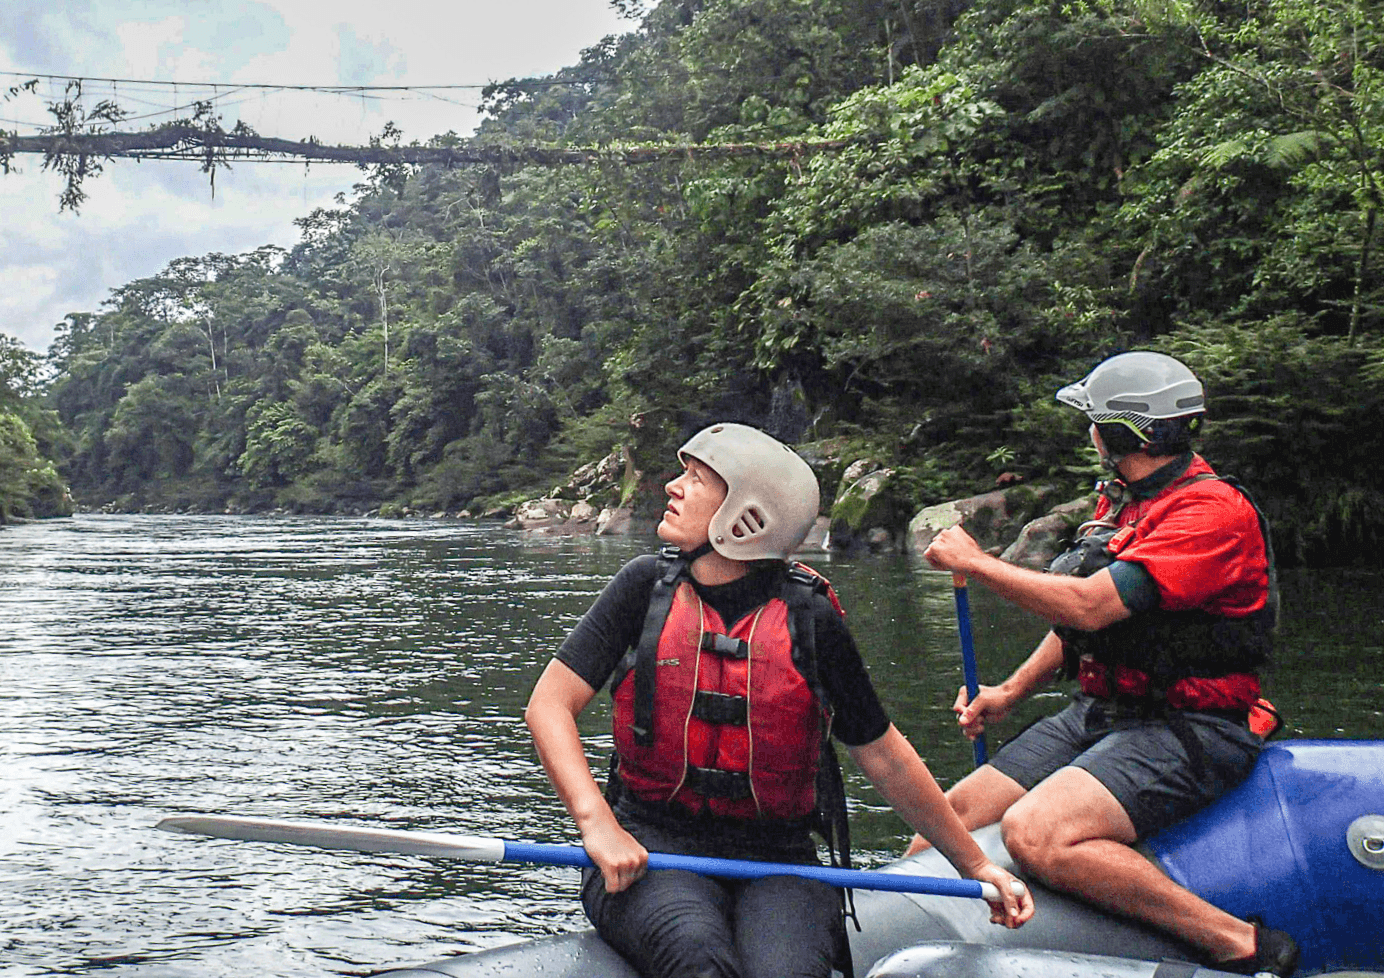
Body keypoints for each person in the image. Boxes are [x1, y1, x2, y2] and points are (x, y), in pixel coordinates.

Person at [526, 422, 1032, 978]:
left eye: (695, 480)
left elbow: (882, 754)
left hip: (776, 857)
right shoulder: (642, 587)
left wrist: (976, 865)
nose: (672, 487)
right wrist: (598, 825)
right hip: (652, 843)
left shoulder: (809, 616)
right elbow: (549, 705)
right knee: (698, 959)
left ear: (747, 514)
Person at [921, 351, 1293, 976]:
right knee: (944, 824)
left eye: (1093, 419)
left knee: (1036, 832)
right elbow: (1081, 627)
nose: (1089, 432)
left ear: (1119, 431)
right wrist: (1006, 693)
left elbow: (1092, 605)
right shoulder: (1121, 501)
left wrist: (978, 562)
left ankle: (1243, 943)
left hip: (1194, 728)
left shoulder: (1212, 514)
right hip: (1103, 711)